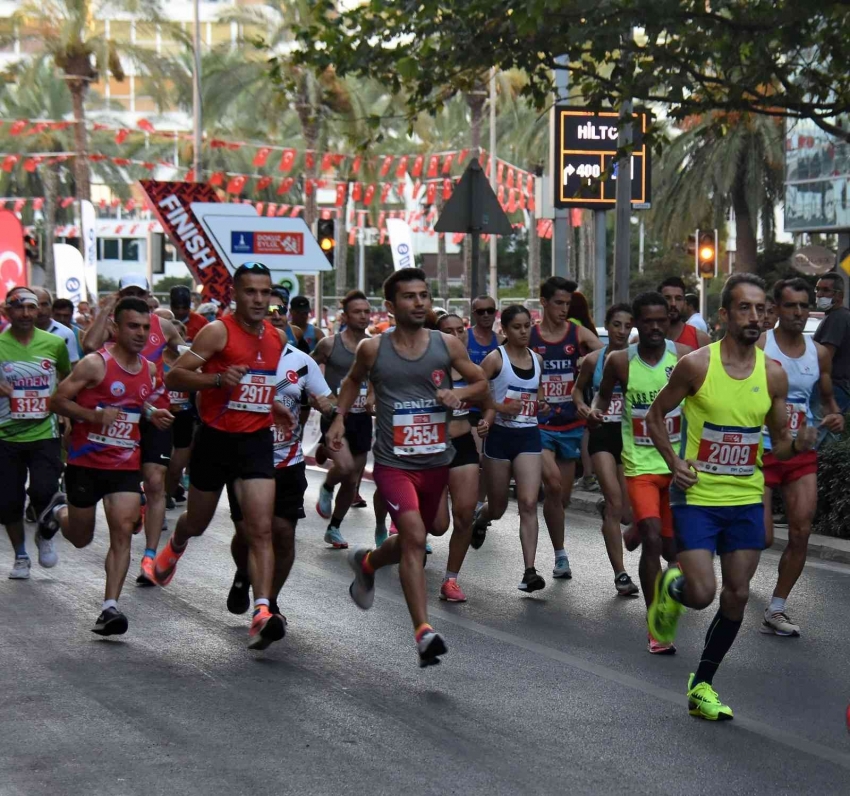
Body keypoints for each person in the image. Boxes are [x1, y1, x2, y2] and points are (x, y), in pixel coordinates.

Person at [646, 273, 817, 721]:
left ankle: (701, 686)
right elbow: (655, 415)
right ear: (723, 315)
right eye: (745, 308)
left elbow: (777, 445)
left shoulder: (773, 375)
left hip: (744, 496)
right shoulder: (697, 366)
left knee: (737, 595)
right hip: (699, 495)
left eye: (762, 309)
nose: (755, 317)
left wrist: (797, 445)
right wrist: (673, 462)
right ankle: (674, 587)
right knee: (703, 594)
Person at [328, 267, 487, 667]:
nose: (419, 303)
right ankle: (423, 632)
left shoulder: (446, 345)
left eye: (424, 295)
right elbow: (351, 382)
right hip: (394, 463)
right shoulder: (373, 349)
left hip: (436, 461)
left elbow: (481, 381)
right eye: (410, 297)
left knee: (434, 528)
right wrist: (338, 418)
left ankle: (367, 561)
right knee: (415, 535)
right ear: (391, 306)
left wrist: (460, 392)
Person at [153, 262, 295, 651]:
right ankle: (176, 545)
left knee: (260, 528)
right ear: (236, 294)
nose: (259, 300)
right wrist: (217, 378)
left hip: (255, 441)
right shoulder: (218, 331)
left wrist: (273, 406)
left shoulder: (277, 337)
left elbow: (260, 384)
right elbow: (174, 377)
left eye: (265, 293)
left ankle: (262, 611)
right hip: (216, 439)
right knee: (197, 522)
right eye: (251, 292)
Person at [49, 296, 174, 635]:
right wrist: (92, 416)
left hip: (123, 465)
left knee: (123, 530)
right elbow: (56, 400)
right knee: (80, 537)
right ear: (115, 328)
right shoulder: (95, 364)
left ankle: (110, 608)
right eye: (133, 326)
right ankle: (58, 512)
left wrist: (152, 413)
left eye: (146, 328)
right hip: (85, 463)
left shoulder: (148, 370)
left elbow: (137, 402)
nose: (140, 333)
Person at [591, 293, 690, 653]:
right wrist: (596, 411)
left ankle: (635, 528)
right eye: (646, 321)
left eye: (660, 320)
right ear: (636, 323)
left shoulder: (683, 358)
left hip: (677, 466)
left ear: (669, 320)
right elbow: (602, 397)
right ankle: (656, 624)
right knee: (653, 539)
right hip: (639, 465)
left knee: (672, 549)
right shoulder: (620, 361)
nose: (654, 327)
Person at [83, 273, 185, 584]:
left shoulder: (162, 325)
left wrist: (182, 376)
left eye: (141, 292)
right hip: (120, 412)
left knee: (155, 481)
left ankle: (150, 557)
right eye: (130, 293)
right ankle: (134, 505)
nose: (137, 298)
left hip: (155, 411)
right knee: (127, 483)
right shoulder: (113, 324)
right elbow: (89, 344)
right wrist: (111, 307)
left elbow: (188, 354)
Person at [225, 336, 333, 626]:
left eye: (277, 312)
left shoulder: (301, 361)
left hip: (288, 460)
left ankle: (269, 601)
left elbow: (329, 401)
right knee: (250, 534)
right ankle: (244, 573)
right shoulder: (235, 353)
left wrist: (327, 408)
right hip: (245, 458)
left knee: (283, 534)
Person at [759, 278, 844, 636]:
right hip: (760, 450)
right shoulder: (761, 344)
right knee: (761, 537)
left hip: (801, 453)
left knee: (801, 530)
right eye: (791, 306)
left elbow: (826, 401)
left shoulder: (818, 353)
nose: (798, 312)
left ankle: (777, 607)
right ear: (776, 309)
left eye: (803, 306)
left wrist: (836, 415)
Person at [526, 276, 603, 579]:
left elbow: (604, 352)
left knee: (563, 497)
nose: (563, 309)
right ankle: (561, 557)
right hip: (539, 424)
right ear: (543, 302)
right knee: (554, 485)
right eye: (558, 303)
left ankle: (558, 550)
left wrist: (587, 358)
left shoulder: (576, 332)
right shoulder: (530, 336)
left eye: (567, 303)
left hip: (570, 424)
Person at [475, 305, 547, 591]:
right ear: (504, 330)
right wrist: (499, 407)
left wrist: (540, 402)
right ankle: (481, 519)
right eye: (517, 327)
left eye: (527, 326)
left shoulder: (537, 359)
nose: (523, 331)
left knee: (529, 503)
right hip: (500, 437)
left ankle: (529, 571)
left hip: (528, 435)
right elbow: (476, 390)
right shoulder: (495, 359)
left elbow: (537, 391)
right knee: (498, 507)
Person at [0, 287, 70, 578]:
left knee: (44, 492)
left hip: (45, 431)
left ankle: (45, 534)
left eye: (31, 307)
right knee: (8, 503)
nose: (26, 313)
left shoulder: (55, 343)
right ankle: (20, 556)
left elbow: (68, 378)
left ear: (40, 310)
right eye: (18, 308)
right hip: (5, 434)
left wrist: (65, 409)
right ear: (7, 312)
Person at [573, 303, 639, 597]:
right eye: (617, 325)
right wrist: (585, 408)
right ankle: (621, 574)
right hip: (601, 435)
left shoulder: (637, 359)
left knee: (626, 514)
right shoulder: (593, 359)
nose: (622, 331)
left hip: (628, 437)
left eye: (628, 326)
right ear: (607, 326)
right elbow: (577, 389)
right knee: (615, 503)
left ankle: (607, 509)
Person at [312, 290, 375, 549]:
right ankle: (327, 485)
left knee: (352, 479)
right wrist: (321, 396)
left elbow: (376, 379)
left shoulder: (374, 346)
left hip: (360, 418)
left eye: (366, 312)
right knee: (346, 467)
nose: (363, 316)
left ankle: (334, 527)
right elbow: (310, 369)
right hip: (335, 416)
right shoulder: (329, 344)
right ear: (345, 316)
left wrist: (372, 396)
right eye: (357, 312)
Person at [431, 312, 483, 602]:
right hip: (433, 449)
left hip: (463, 445)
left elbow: (486, 400)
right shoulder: (427, 369)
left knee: (464, 516)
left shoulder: (472, 369)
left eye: (459, 330)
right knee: (438, 526)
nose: (455, 335)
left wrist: (486, 419)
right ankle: (402, 539)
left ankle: (450, 580)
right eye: (447, 331)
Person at [466, 295, 502, 522]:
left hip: (495, 409)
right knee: (478, 459)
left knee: (488, 463)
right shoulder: (465, 339)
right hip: (469, 409)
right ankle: (473, 504)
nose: (486, 315)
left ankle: (479, 506)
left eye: (490, 310)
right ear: (474, 314)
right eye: (481, 312)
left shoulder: (501, 341)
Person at [813, 272, 850, 413]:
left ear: (839, 296)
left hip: (832, 389)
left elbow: (825, 358)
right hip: (838, 389)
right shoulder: (837, 316)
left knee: (819, 430)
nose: (819, 294)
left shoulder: (837, 318)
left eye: (826, 290)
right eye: (818, 289)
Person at [659, 277, 711, 350]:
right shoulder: (646, 338)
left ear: (684, 303)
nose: (673, 304)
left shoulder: (700, 339)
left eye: (678, 299)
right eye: (667, 298)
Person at [33, 287, 80, 364]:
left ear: (51, 306)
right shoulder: (14, 332)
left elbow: (73, 367)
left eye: (44, 304)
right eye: (35, 305)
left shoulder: (66, 333)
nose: (40, 310)